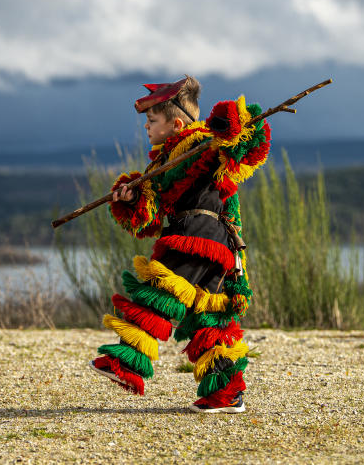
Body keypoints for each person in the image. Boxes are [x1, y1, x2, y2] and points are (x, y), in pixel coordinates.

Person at [89, 74, 271, 413]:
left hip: (202, 235)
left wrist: (232, 126)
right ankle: (226, 394)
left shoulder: (205, 143)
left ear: (175, 123)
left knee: (159, 289)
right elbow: (151, 217)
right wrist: (131, 198)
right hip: (211, 243)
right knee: (209, 318)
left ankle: (126, 366)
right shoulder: (162, 162)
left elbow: (241, 149)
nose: (146, 127)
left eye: (152, 120)